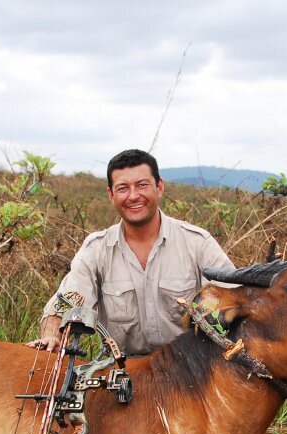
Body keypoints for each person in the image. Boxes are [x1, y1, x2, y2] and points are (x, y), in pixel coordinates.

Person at [27, 149, 235, 356]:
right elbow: (67, 302)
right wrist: (51, 336)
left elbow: (236, 300)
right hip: (122, 371)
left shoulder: (197, 243)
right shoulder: (96, 249)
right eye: (123, 188)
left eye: (142, 185)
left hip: (191, 368)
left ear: (159, 187)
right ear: (111, 195)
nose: (134, 196)